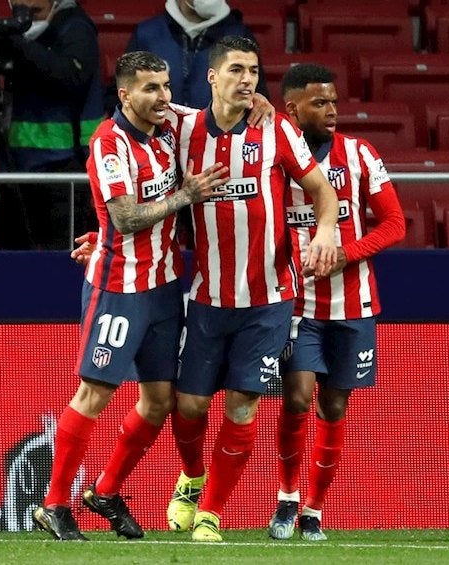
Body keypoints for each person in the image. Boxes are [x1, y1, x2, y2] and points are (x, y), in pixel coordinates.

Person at [32, 50, 231, 541]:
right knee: (94, 392)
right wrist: (186, 195)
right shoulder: (108, 142)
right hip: (119, 287)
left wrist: (262, 102)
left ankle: (105, 490)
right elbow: (123, 217)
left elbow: (223, 109)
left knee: (159, 399)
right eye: (150, 88)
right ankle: (54, 503)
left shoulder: (168, 123)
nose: (163, 97)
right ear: (125, 94)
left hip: (164, 287)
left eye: (165, 86)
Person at [163, 36, 340, 542]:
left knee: (243, 404)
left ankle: (211, 514)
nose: (248, 79)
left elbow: (321, 192)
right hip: (207, 298)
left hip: (268, 301)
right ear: (211, 77)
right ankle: (192, 479)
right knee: (190, 406)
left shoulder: (277, 128)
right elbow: (129, 101)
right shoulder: (181, 126)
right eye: (237, 70)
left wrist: (326, 230)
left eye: (255, 72)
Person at [267, 63, 405, 541]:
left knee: (334, 405)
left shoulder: (360, 154)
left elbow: (394, 224)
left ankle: (314, 510)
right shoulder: (275, 160)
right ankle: (286, 499)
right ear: (292, 109)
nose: (331, 110)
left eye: (334, 101)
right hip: (297, 306)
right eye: (319, 103)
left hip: (354, 304)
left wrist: (345, 254)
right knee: (297, 397)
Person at [0, 0, 105, 250]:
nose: (26, 17)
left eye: (34, 12)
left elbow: (71, 77)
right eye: (19, 9)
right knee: (6, 261)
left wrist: (19, 44)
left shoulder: (76, 28)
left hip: (65, 169)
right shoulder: (16, 37)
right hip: (17, 167)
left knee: (62, 262)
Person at [125, 0, 268, 109]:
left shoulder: (239, 34)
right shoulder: (147, 34)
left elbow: (258, 93)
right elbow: (124, 91)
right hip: (158, 139)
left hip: (217, 139)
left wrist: (259, 100)